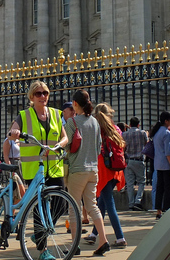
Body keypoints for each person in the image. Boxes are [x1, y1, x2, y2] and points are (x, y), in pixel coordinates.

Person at [8, 80, 69, 260]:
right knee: (38, 207)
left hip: (54, 166)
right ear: (31, 97)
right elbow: (12, 130)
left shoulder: (57, 114)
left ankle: (39, 235)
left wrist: (60, 144)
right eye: (39, 93)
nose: (43, 96)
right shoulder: (24, 115)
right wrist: (14, 133)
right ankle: (43, 251)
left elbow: (65, 137)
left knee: (62, 204)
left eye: (45, 93)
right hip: (34, 168)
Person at [64, 89, 109, 256]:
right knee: (92, 206)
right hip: (93, 169)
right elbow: (98, 147)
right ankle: (103, 240)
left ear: (75, 104)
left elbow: (66, 146)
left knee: (74, 206)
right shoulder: (95, 122)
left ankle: (75, 245)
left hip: (77, 169)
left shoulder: (72, 122)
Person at [85, 103, 127, 249]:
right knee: (102, 203)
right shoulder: (116, 129)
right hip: (116, 169)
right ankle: (94, 234)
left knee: (108, 203)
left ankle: (120, 237)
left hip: (103, 170)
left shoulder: (97, 129)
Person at [151, 111, 170, 219]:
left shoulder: (157, 132)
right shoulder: (167, 133)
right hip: (166, 164)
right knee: (168, 188)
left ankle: (158, 210)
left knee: (159, 188)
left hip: (157, 163)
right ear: (166, 121)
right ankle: (167, 209)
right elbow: (168, 152)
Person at [122, 116, 148, 211]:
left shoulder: (124, 134)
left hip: (128, 160)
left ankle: (131, 203)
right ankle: (138, 201)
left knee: (130, 183)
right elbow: (146, 144)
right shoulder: (142, 133)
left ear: (129, 124)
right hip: (139, 159)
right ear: (138, 124)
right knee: (141, 181)